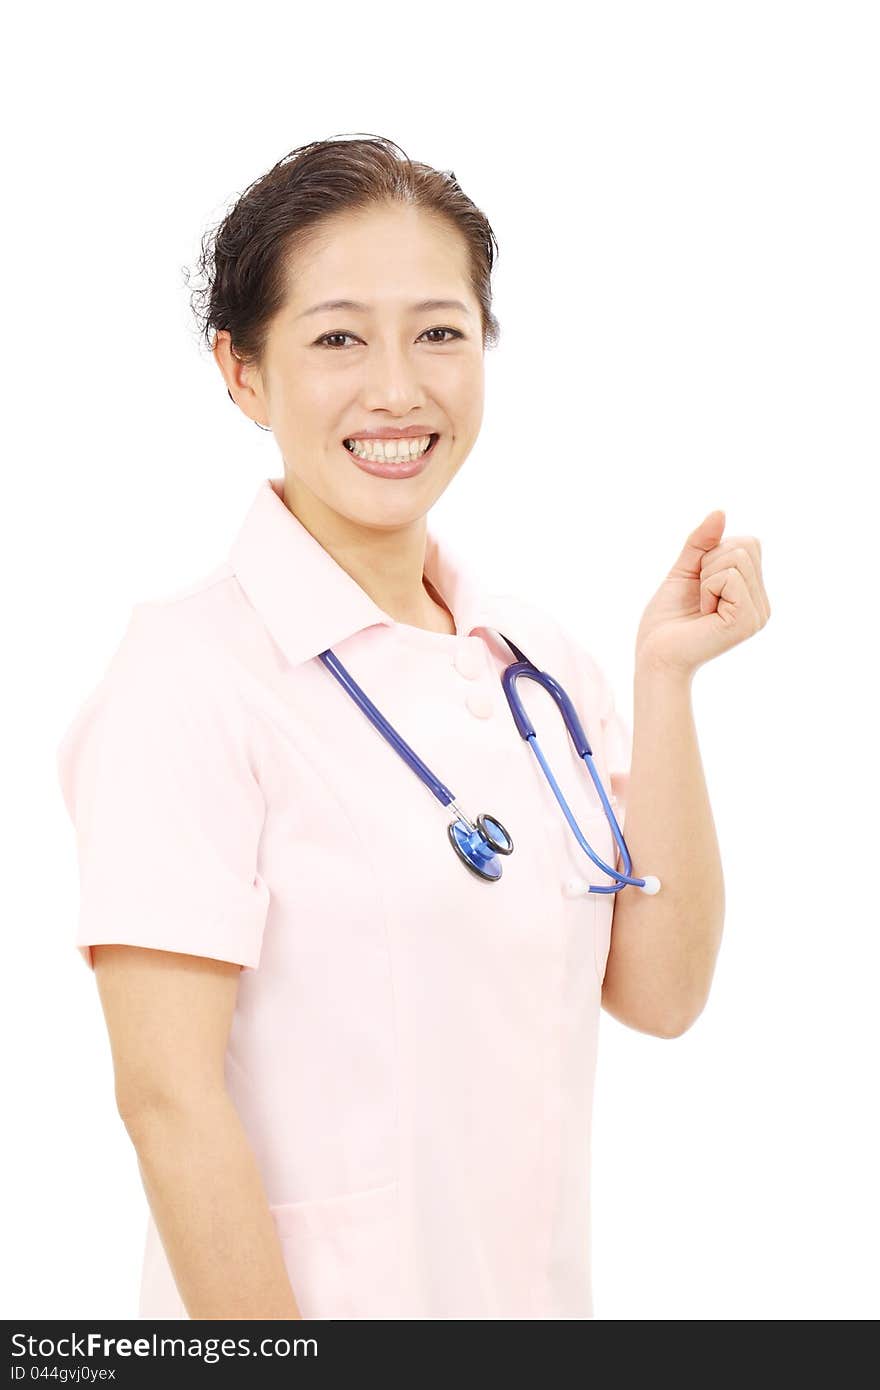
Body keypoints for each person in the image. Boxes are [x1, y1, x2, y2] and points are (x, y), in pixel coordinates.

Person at [56, 133, 770, 1321]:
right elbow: (166, 1100)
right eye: (338, 337)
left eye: (439, 331)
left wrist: (665, 683)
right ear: (241, 372)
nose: (398, 388)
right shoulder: (186, 676)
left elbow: (660, 992)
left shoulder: (536, 661)